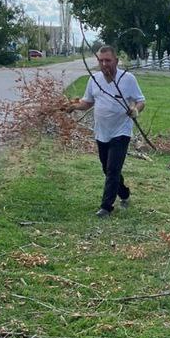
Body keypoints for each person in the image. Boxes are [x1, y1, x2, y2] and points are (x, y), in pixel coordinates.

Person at [66, 46, 145, 216]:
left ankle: (106, 207)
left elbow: (140, 101)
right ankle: (124, 193)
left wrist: (135, 110)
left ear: (116, 61)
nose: (104, 64)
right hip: (101, 132)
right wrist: (73, 106)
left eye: (108, 60)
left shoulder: (128, 79)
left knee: (113, 169)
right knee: (107, 168)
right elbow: (87, 102)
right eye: (101, 60)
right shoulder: (94, 79)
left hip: (121, 131)